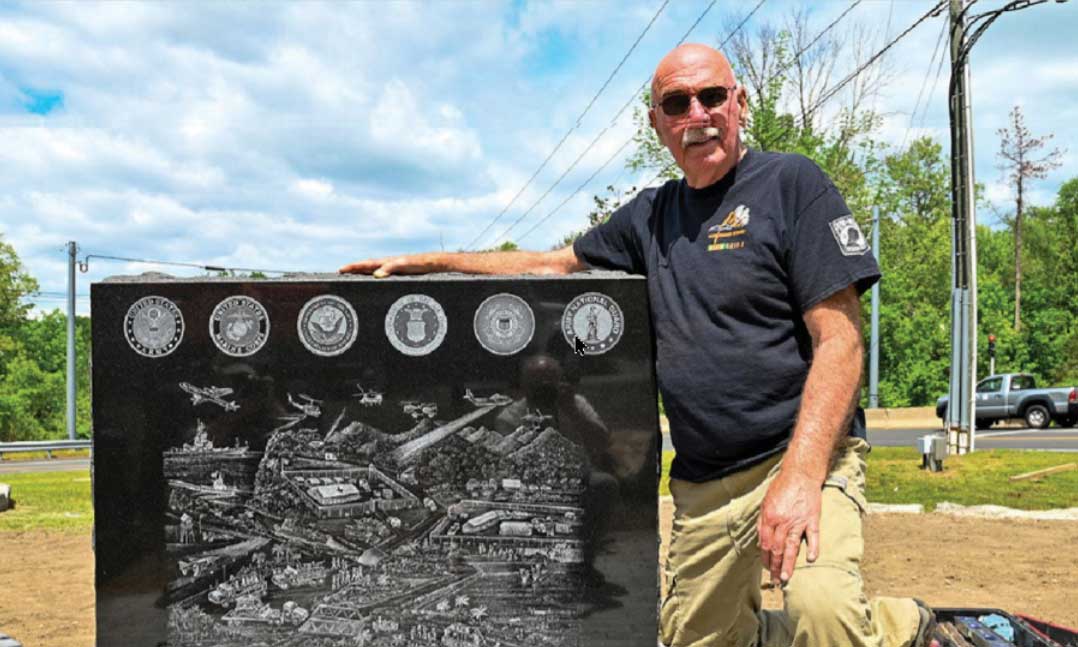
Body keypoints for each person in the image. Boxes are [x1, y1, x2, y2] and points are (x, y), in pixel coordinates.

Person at [340, 43, 935, 647]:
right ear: (658, 123)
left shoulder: (792, 184)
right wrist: (431, 262)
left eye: (712, 96)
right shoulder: (650, 216)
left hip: (802, 457)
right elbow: (554, 264)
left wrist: (802, 477)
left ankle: (898, 626)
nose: (698, 114)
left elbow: (841, 342)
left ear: (740, 103)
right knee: (698, 641)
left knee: (823, 612)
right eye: (677, 102)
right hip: (706, 484)